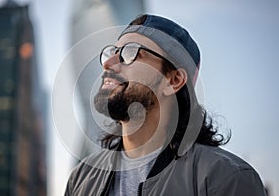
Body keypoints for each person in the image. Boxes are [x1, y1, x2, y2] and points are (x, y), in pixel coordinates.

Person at [65, 14, 267, 196]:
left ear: (174, 80)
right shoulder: (81, 179)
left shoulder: (226, 179)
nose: (108, 62)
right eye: (113, 51)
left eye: (131, 53)